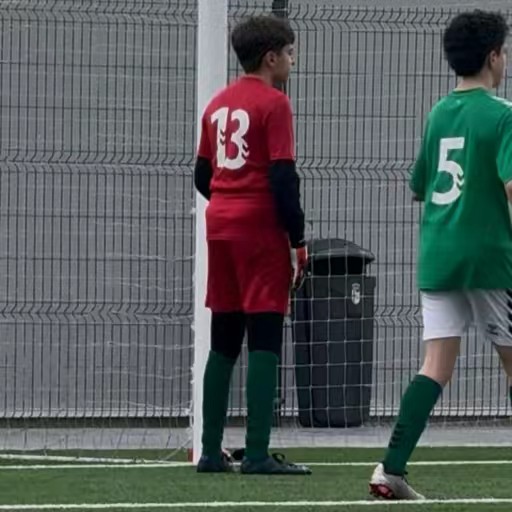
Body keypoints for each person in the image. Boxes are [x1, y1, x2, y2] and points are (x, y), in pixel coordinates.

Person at [369, 9, 512, 500]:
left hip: (437, 254)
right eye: (505, 52)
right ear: (493, 57)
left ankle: (390, 469)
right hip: (488, 257)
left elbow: (420, 185)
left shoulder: (438, 113)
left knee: (435, 364)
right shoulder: (503, 115)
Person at [193, 15, 310, 475]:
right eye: (290, 53)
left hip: (220, 224)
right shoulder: (275, 104)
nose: (293, 61)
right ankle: (257, 453)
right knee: (264, 332)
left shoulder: (217, 104)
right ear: (271, 57)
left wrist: (229, 199)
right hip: (259, 228)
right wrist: (297, 239)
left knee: (224, 334)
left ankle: (209, 452)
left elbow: (202, 174)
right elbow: (283, 177)